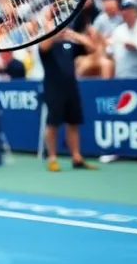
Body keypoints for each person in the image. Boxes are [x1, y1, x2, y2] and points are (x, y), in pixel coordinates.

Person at [38, 27, 98, 170]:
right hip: (53, 90)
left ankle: (76, 158)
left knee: (73, 123)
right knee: (53, 125)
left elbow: (92, 48)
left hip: (71, 88)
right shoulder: (47, 44)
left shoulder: (70, 45)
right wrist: (54, 33)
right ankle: (52, 159)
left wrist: (75, 34)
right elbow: (43, 47)